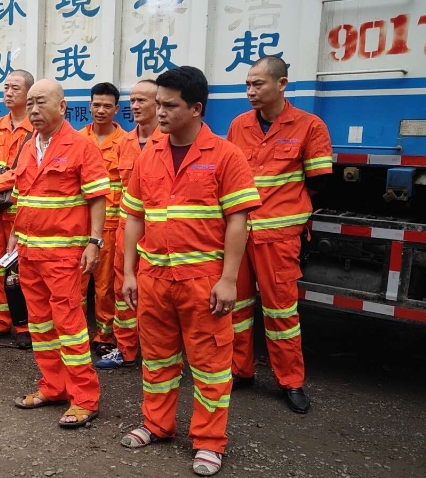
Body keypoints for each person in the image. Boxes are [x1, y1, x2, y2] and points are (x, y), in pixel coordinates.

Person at [119, 67, 261, 477]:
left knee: (211, 366)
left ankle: (209, 441)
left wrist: (229, 279)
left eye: (169, 105)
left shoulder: (225, 155)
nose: (159, 112)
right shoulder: (150, 154)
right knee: (157, 361)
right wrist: (129, 273)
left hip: (203, 283)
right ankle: (156, 424)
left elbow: (238, 220)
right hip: (154, 280)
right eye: (158, 104)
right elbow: (134, 216)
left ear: (196, 108)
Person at [227, 56, 333, 414]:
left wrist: (282, 208)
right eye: (248, 84)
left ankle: (290, 381)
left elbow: (318, 183)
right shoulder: (239, 124)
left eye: (258, 84)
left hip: (279, 236)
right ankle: (239, 371)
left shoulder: (309, 126)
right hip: (239, 233)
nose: (250, 91)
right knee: (235, 307)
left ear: (282, 84)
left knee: (281, 313)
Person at [9, 79, 109, 428]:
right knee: (40, 325)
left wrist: (94, 242)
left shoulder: (81, 147)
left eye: (41, 102)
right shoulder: (28, 147)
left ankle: (85, 398)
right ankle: (54, 386)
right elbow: (23, 199)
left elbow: (97, 198)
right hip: (30, 254)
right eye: (30, 103)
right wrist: (14, 238)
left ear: (62, 107)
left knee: (70, 328)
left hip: (63, 257)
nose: (34, 110)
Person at [95, 79, 163, 369]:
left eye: (142, 100)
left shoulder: (168, 140)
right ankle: (125, 349)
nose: (135, 106)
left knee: (157, 291)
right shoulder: (124, 143)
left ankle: (159, 352)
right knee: (123, 286)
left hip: (159, 227)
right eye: (132, 100)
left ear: (158, 104)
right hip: (126, 225)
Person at [0, 69, 36, 349]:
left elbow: (27, 170)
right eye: (6, 87)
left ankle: (23, 324)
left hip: (18, 211)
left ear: (29, 94)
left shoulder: (35, 129)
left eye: (15, 88)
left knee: (19, 269)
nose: (8, 92)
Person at [79, 82, 126, 357]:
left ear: (116, 109)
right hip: (78, 226)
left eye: (107, 106)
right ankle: (75, 332)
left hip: (110, 226)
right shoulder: (76, 140)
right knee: (76, 284)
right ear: (89, 106)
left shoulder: (125, 143)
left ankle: (105, 335)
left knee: (105, 286)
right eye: (96, 104)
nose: (101, 110)